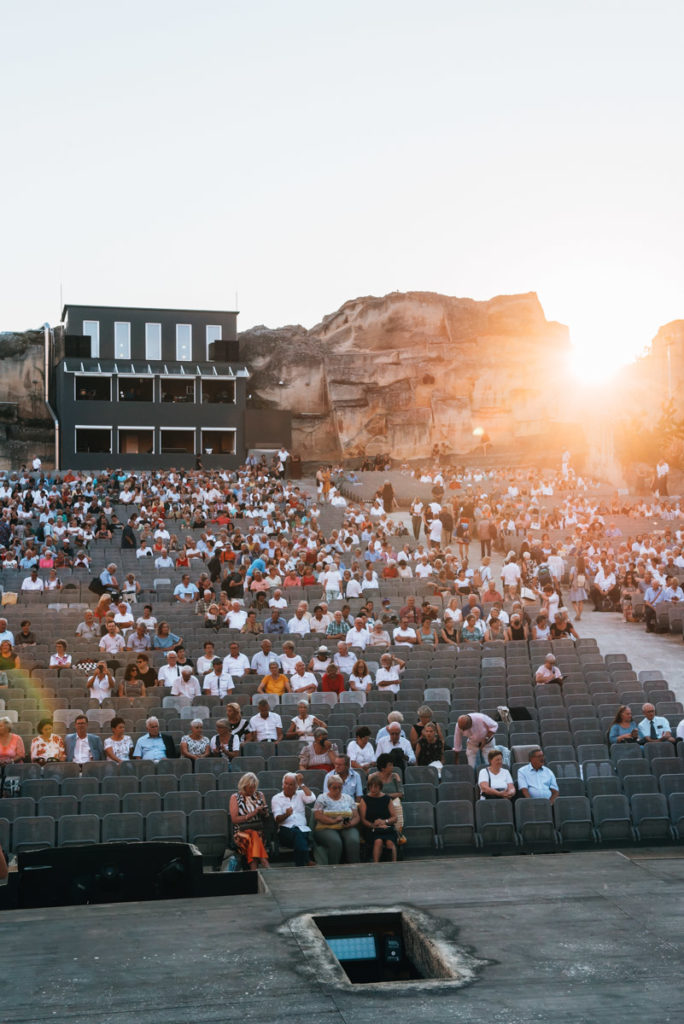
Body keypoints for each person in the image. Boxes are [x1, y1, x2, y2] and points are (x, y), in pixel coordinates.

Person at [312, 773, 361, 865]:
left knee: (353, 840)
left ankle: (354, 866)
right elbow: (318, 816)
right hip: (326, 827)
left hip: (346, 827)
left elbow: (356, 816)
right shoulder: (322, 798)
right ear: (329, 787)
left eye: (340, 788)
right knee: (335, 842)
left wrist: (350, 824)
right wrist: (333, 821)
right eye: (334, 788)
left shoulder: (348, 798)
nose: (337, 790)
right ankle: (334, 867)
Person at [271, 772, 316, 866]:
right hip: (285, 831)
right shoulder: (276, 798)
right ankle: (306, 860)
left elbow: (312, 799)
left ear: (296, 787)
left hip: (302, 830)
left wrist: (302, 784)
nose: (287, 786)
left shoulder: (300, 794)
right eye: (286, 783)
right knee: (297, 833)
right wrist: (286, 815)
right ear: (282, 784)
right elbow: (277, 819)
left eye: (291, 784)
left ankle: (300, 865)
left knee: (299, 833)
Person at [229, 772, 270, 870]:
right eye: (250, 787)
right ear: (244, 786)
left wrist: (264, 812)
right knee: (252, 836)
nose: (253, 789)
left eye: (254, 787)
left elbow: (266, 815)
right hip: (240, 833)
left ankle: (254, 871)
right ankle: (264, 862)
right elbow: (234, 819)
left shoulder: (260, 795)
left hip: (258, 831)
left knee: (253, 836)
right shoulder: (235, 797)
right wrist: (253, 813)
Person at [358, 772, 398, 863]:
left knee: (390, 842)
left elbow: (394, 818)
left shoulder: (387, 798)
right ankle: (376, 864)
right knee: (378, 841)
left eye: (375, 787)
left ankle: (394, 864)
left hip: (386, 827)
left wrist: (384, 822)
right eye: (371, 786)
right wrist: (374, 825)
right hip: (371, 828)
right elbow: (363, 820)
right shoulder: (365, 800)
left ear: (380, 787)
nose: (373, 789)